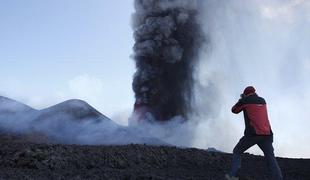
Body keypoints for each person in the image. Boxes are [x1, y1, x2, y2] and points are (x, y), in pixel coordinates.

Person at [225, 86, 283, 180]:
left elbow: (234, 110)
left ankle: (233, 176)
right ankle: (278, 178)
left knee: (237, 151)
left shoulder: (245, 100)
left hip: (253, 134)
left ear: (246, 94)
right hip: (267, 134)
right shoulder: (262, 100)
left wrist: (242, 99)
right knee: (270, 157)